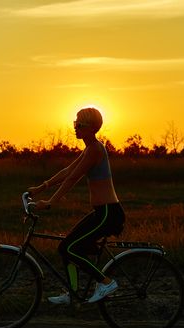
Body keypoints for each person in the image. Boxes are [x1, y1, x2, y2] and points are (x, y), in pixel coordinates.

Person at [27, 107, 125, 304]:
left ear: (91, 128)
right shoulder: (89, 148)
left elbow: (73, 178)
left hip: (108, 213)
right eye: (74, 124)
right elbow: (67, 170)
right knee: (65, 248)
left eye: (79, 125)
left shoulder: (96, 149)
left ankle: (106, 282)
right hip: (101, 212)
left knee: (71, 248)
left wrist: (50, 202)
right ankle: (73, 294)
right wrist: (41, 187)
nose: (75, 128)